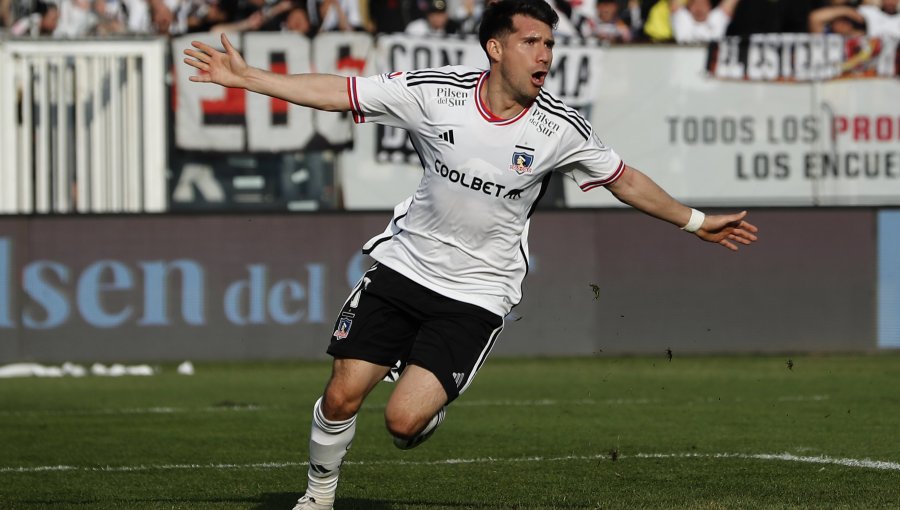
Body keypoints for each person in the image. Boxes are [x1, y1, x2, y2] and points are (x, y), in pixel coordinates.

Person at [183, 0, 758, 508]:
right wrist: (251, 79)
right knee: (340, 394)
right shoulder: (436, 93)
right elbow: (342, 92)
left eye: (551, 45)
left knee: (402, 424)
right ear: (495, 47)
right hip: (405, 267)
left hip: (477, 293)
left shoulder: (560, 128)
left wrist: (697, 221)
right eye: (532, 42)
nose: (544, 55)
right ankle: (318, 496)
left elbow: (623, 179)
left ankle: (425, 403)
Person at [670, 0, 738, 43]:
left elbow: (730, 3)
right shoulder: (683, 19)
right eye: (695, 4)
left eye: (703, 4)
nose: (699, 8)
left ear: (709, 7)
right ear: (689, 7)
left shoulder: (717, 19)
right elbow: (675, 3)